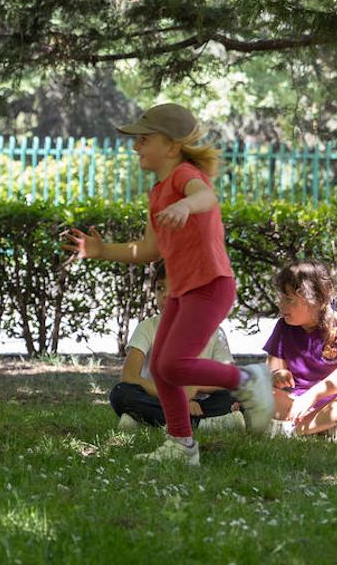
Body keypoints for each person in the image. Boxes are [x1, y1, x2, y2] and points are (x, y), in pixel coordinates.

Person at [62, 103, 273, 465]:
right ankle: (181, 444)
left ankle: (247, 379)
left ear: (172, 146)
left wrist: (187, 206)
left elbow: (207, 196)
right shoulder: (158, 191)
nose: (135, 146)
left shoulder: (184, 175)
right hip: (182, 290)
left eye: (144, 139)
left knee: (174, 363)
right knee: (161, 366)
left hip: (210, 285)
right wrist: (100, 250)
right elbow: (147, 249)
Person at [111, 263, 245, 433]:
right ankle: (201, 424)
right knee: (122, 393)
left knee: (237, 395)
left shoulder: (214, 331)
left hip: (202, 402)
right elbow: (129, 376)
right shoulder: (148, 327)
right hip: (156, 397)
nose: (166, 295)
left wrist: (195, 387)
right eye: (160, 288)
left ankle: (144, 419)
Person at [264, 260, 337, 438]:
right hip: (298, 405)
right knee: (260, 393)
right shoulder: (283, 327)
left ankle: (295, 430)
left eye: (289, 300)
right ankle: (328, 428)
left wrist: (312, 396)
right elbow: (271, 371)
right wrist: (276, 376)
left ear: (316, 300)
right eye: (281, 298)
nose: (281, 305)